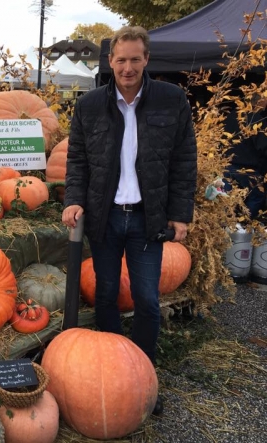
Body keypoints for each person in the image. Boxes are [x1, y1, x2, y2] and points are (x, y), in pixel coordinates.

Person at [61, 26, 197, 416]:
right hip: (104, 217)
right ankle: (111, 376)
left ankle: (140, 378)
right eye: (120, 59)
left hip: (146, 217)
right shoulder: (89, 106)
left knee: (148, 301)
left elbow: (185, 161)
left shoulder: (172, 102)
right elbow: (78, 161)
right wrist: (73, 200)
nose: (127, 67)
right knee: (105, 294)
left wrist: (179, 213)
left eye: (135, 59)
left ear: (147, 60)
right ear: (110, 61)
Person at [222, 96, 267, 220]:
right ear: (259, 101)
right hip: (246, 168)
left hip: (225, 165)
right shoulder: (256, 119)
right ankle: (243, 224)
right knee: (257, 196)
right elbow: (263, 145)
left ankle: (225, 227)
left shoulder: (231, 115)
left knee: (226, 199)